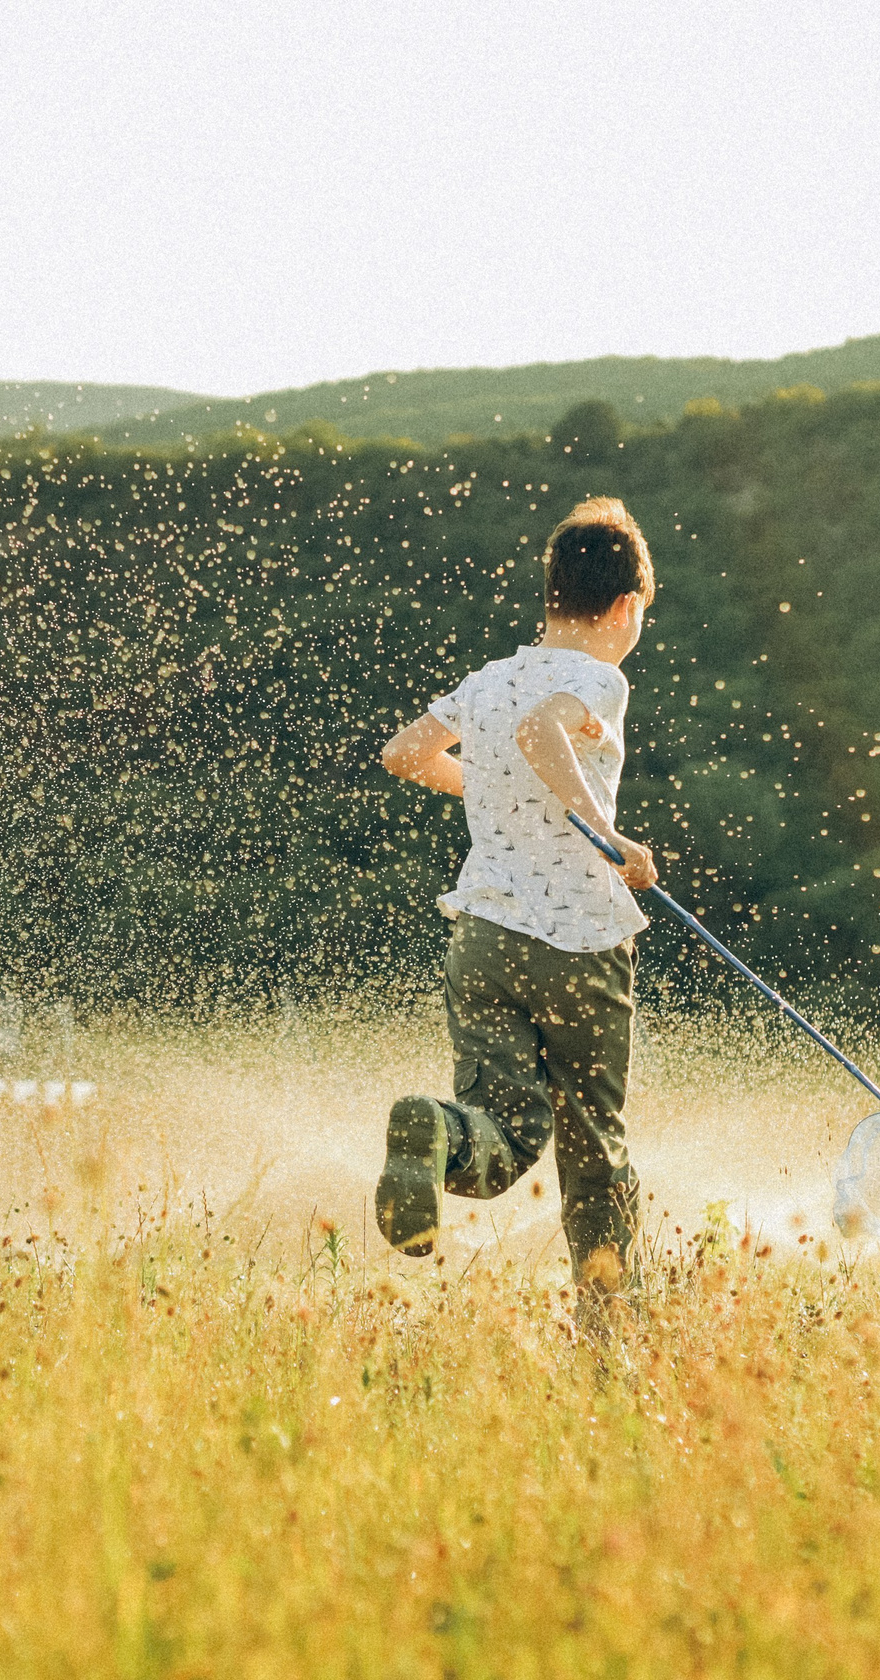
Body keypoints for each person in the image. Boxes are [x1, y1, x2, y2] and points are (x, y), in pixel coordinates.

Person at [376, 495, 658, 1312]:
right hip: (577, 943)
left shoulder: (491, 677)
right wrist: (610, 838)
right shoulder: (598, 679)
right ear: (625, 605)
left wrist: (488, 789)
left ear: (551, 595)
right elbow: (543, 734)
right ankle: (612, 1339)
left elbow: (405, 753)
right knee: (593, 1150)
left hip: (484, 939)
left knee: (500, 1131)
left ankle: (435, 1128)